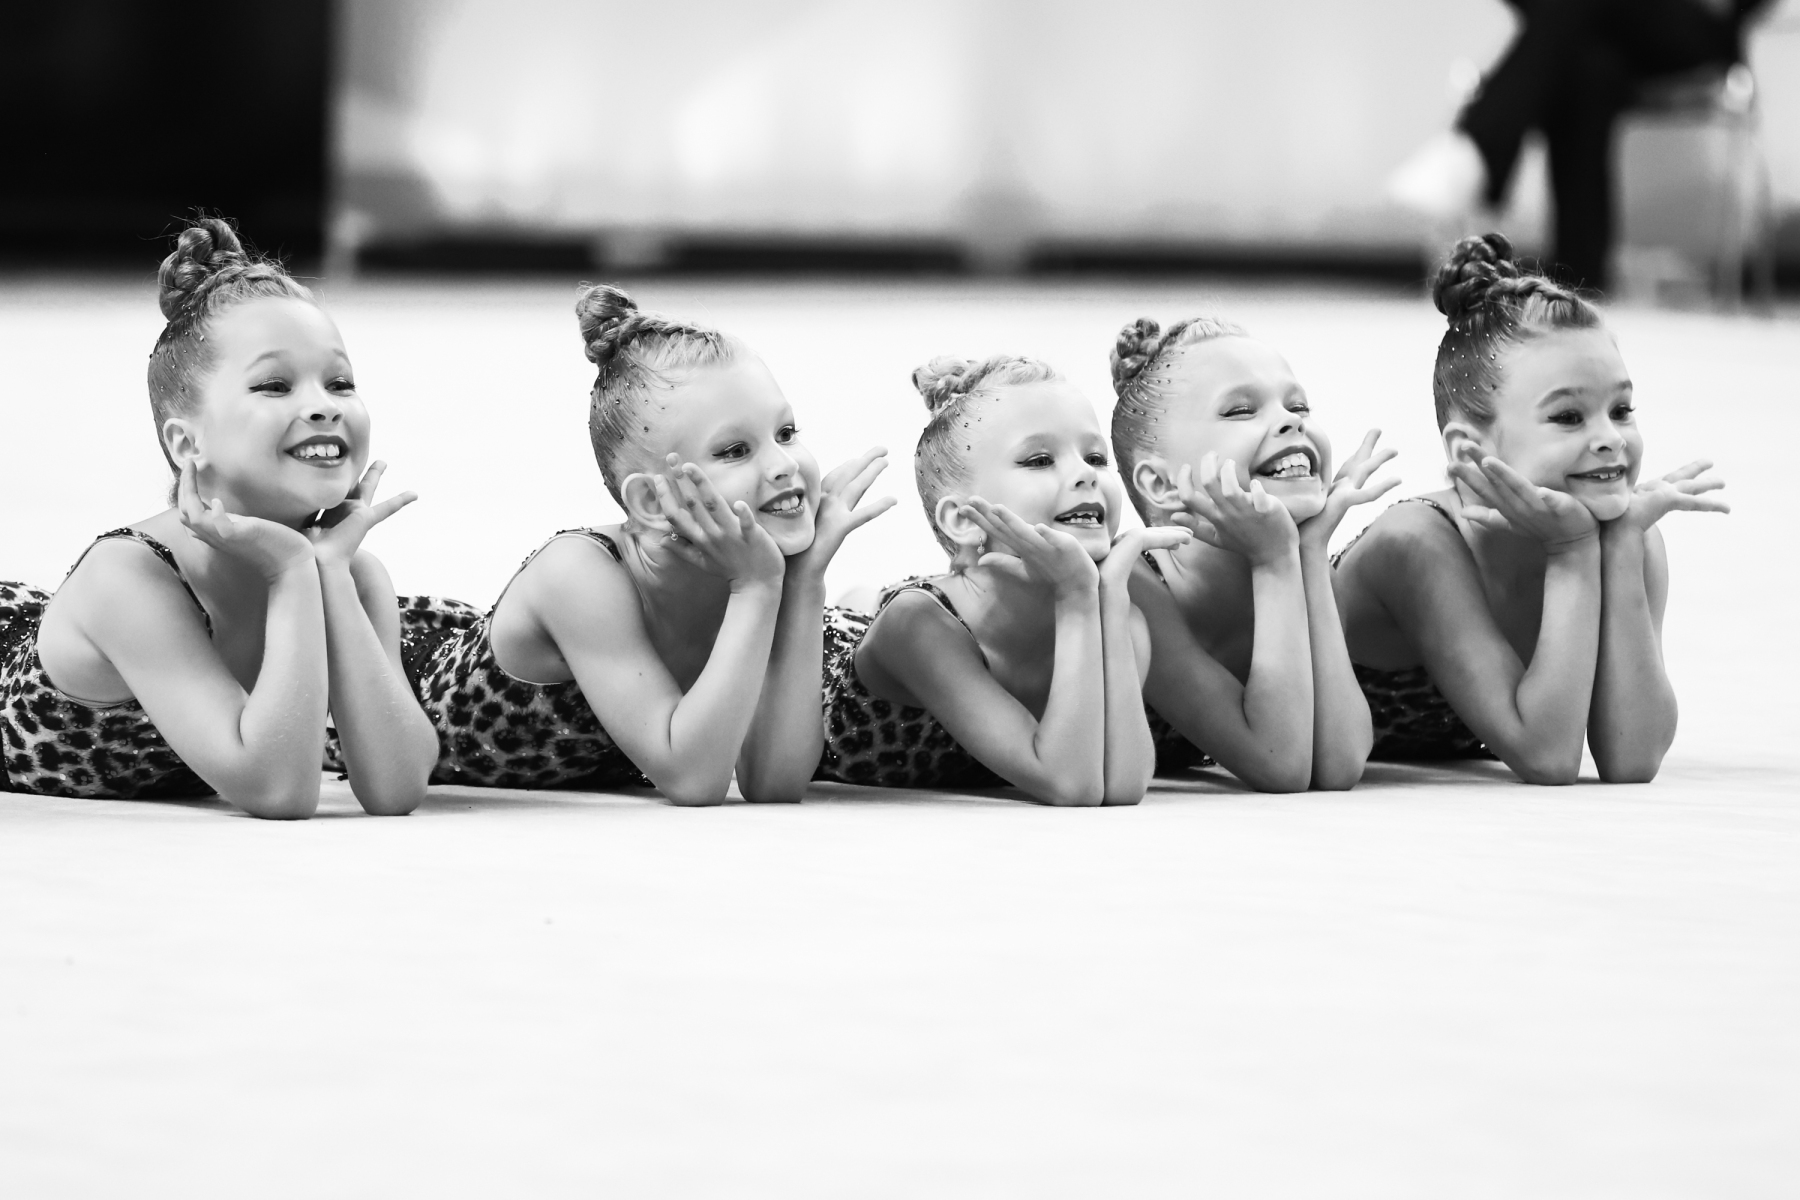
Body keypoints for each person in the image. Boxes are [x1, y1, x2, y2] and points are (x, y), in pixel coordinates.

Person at [0, 217, 436, 817]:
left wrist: (329, 573)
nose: (322, 407)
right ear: (188, 444)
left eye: (339, 382)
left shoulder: (353, 575)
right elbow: (278, 790)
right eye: (275, 385)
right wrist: (290, 569)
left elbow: (397, 788)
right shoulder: (127, 578)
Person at [401, 285, 891, 805]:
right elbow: (693, 778)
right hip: (395, 683)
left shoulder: (751, 560)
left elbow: (776, 781)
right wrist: (756, 587)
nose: (784, 465)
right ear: (653, 501)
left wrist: (805, 579)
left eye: (786, 432)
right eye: (734, 450)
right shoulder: (578, 575)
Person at [1332, 233, 1729, 783]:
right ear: (1468, 451)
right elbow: (1547, 755)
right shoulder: (1416, 543)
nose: (1611, 438)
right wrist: (1571, 552)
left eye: (1621, 409)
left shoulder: (1626, 534)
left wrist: (1620, 549)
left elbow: (1632, 757)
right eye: (1568, 417)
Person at [816, 355, 1188, 806]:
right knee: (872, 606)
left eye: (1095, 457)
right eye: (1040, 460)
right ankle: (864, 599)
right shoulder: (918, 625)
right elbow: (1070, 784)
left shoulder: (1121, 617)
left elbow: (1123, 786)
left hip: (974, 597)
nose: (1086, 474)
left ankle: (869, 596)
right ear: (963, 519)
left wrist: (1104, 597)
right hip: (833, 647)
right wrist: (1076, 596)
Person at [1109, 317, 1396, 791]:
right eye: (1241, 410)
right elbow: (1279, 766)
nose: (1291, 420)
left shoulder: (1303, 562)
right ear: (1160, 483)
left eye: (1298, 405)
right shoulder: (1131, 589)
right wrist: (1274, 560)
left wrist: (1307, 550)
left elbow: (1339, 764)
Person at [1389, 0, 1777, 290]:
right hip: (1598, 32)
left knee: (1573, 26)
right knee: (1588, 70)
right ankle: (1581, 279)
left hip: (1693, 24)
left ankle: (1479, 146)